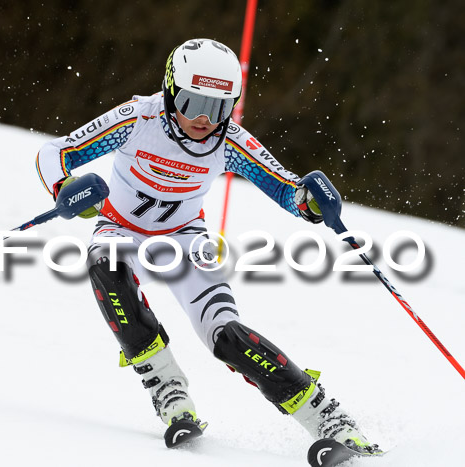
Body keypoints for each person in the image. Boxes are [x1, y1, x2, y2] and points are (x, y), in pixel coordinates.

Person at [36, 38, 381, 453]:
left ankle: (330, 419)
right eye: (193, 102)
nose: (204, 118)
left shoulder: (228, 141)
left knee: (227, 336)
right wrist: (66, 187)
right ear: (170, 90)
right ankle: (167, 389)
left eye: (219, 107)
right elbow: (55, 152)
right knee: (105, 266)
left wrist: (309, 202)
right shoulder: (136, 119)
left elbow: (286, 189)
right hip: (120, 230)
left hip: (184, 241)